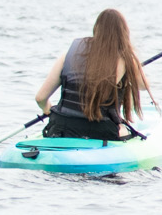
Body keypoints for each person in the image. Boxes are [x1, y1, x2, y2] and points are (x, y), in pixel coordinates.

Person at [34, 7, 152, 140]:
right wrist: (135, 64)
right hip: (100, 130)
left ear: (96, 29)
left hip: (61, 126)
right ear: (124, 32)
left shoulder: (67, 54)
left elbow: (40, 98)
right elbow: (143, 86)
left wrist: (48, 111)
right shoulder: (125, 59)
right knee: (124, 129)